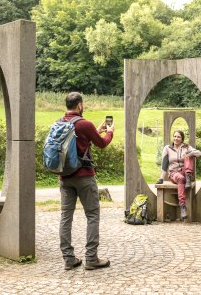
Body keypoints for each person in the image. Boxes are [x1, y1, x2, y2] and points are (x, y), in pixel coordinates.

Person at [58, 92, 114, 271]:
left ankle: (68, 259)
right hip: (84, 177)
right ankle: (91, 258)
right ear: (80, 105)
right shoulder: (84, 124)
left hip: (65, 177)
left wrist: (95, 131)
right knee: (92, 215)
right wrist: (110, 132)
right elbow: (102, 143)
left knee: (66, 217)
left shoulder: (59, 122)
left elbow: (79, 143)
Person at [156, 130, 201, 220]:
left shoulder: (186, 147)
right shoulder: (167, 148)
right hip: (174, 173)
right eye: (175, 136)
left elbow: (199, 153)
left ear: (182, 139)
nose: (176, 138)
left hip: (185, 171)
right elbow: (164, 164)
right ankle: (183, 206)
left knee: (189, 156)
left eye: (178, 137)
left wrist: (189, 153)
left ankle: (188, 177)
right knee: (181, 178)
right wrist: (161, 178)